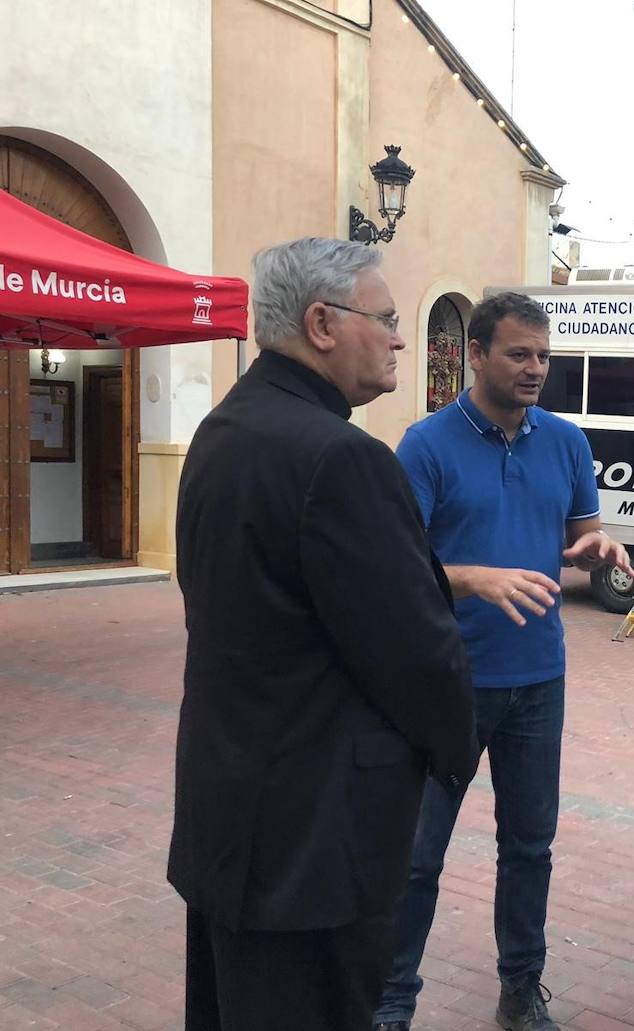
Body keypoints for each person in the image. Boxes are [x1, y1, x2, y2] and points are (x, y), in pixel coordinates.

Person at [170, 237, 481, 1031]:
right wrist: (456, 748)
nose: (402, 337)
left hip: (231, 810)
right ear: (320, 323)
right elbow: (416, 649)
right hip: (318, 836)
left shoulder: (223, 428)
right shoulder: (343, 456)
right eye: (384, 318)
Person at [373, 291, 634, 1031]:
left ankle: (521, 988)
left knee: (530, 846)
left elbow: (579, 532)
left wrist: (597, 547)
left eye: (544, 356)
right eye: (519, 353)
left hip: (537, 678)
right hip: (446, 680)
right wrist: (472, 575)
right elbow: (397, 563)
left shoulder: (565, 441)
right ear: (476, 354)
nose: (535, 368)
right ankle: (392, 1003)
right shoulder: (425, 444)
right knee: (418, 857)